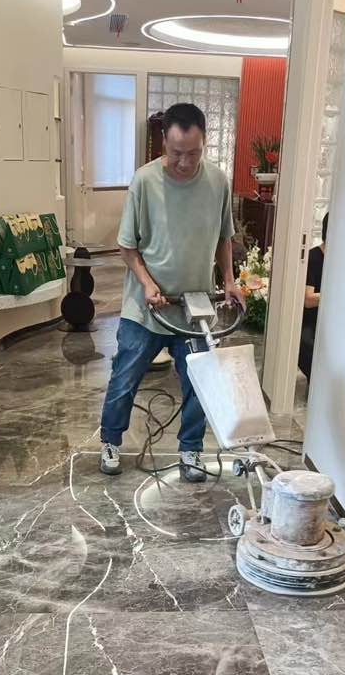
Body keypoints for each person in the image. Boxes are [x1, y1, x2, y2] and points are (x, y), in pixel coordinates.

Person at [99, 103, 244, 479]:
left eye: (193, 153)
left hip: (195, 308)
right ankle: (111, 440)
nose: (184, 162)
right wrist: (148, 284)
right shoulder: (145, 181)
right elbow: (127, 246)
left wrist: (229, 281)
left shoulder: (217, 181)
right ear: (164, 141)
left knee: (199, 382)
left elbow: (224, 238)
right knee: (124, 379)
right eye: (177, 152)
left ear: (204, 142)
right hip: (146, 307)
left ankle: (191, 450)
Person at [298, 211, 328, 388]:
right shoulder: (313, 258)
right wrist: (333, 296)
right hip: (310, 323)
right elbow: (308, 299)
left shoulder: (342, 260)